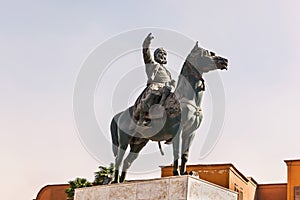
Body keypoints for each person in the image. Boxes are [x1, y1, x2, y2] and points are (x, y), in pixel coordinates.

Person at [133, 33, 176, 126]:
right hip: (155, 86)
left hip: (166, 88)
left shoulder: (167, 71)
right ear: (155, 56)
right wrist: (146, 44)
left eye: (164, 54)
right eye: (160, 53)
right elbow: (146, 54)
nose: (163, 56)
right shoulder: (152, 65)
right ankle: (142, 117)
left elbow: (170, 80)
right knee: (154, 93)